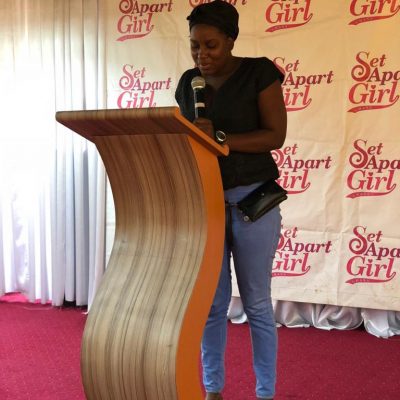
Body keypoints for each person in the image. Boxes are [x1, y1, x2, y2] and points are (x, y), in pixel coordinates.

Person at [175, 1, 287, 399]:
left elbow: (275, 136)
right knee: (212, 304)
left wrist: (221, 138)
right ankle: (213, 390)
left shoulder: (259, 73)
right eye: (194, 45)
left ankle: (265, 393)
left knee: (256, 303)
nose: (201, 55)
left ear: (231, 40)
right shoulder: (188, 82)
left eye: (211, 45)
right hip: (206, 203)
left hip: (254, 202)